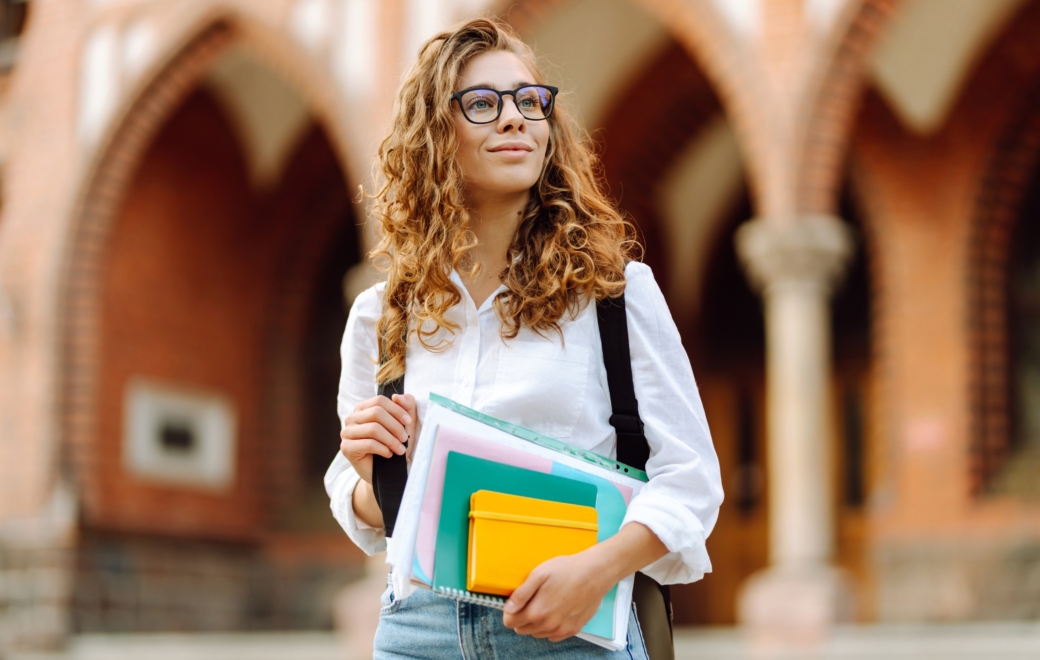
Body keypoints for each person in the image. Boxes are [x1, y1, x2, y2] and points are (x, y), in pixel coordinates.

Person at [325, 17, 723, 660]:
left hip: (573, 631)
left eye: (529, 101)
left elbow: (692, 481)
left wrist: (593, 573)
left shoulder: (614, 294)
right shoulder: (383, 314)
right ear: (433, 137)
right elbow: (363, 505)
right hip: (418, 631)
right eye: (481, 104)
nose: (514, 119)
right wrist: (378, 478)